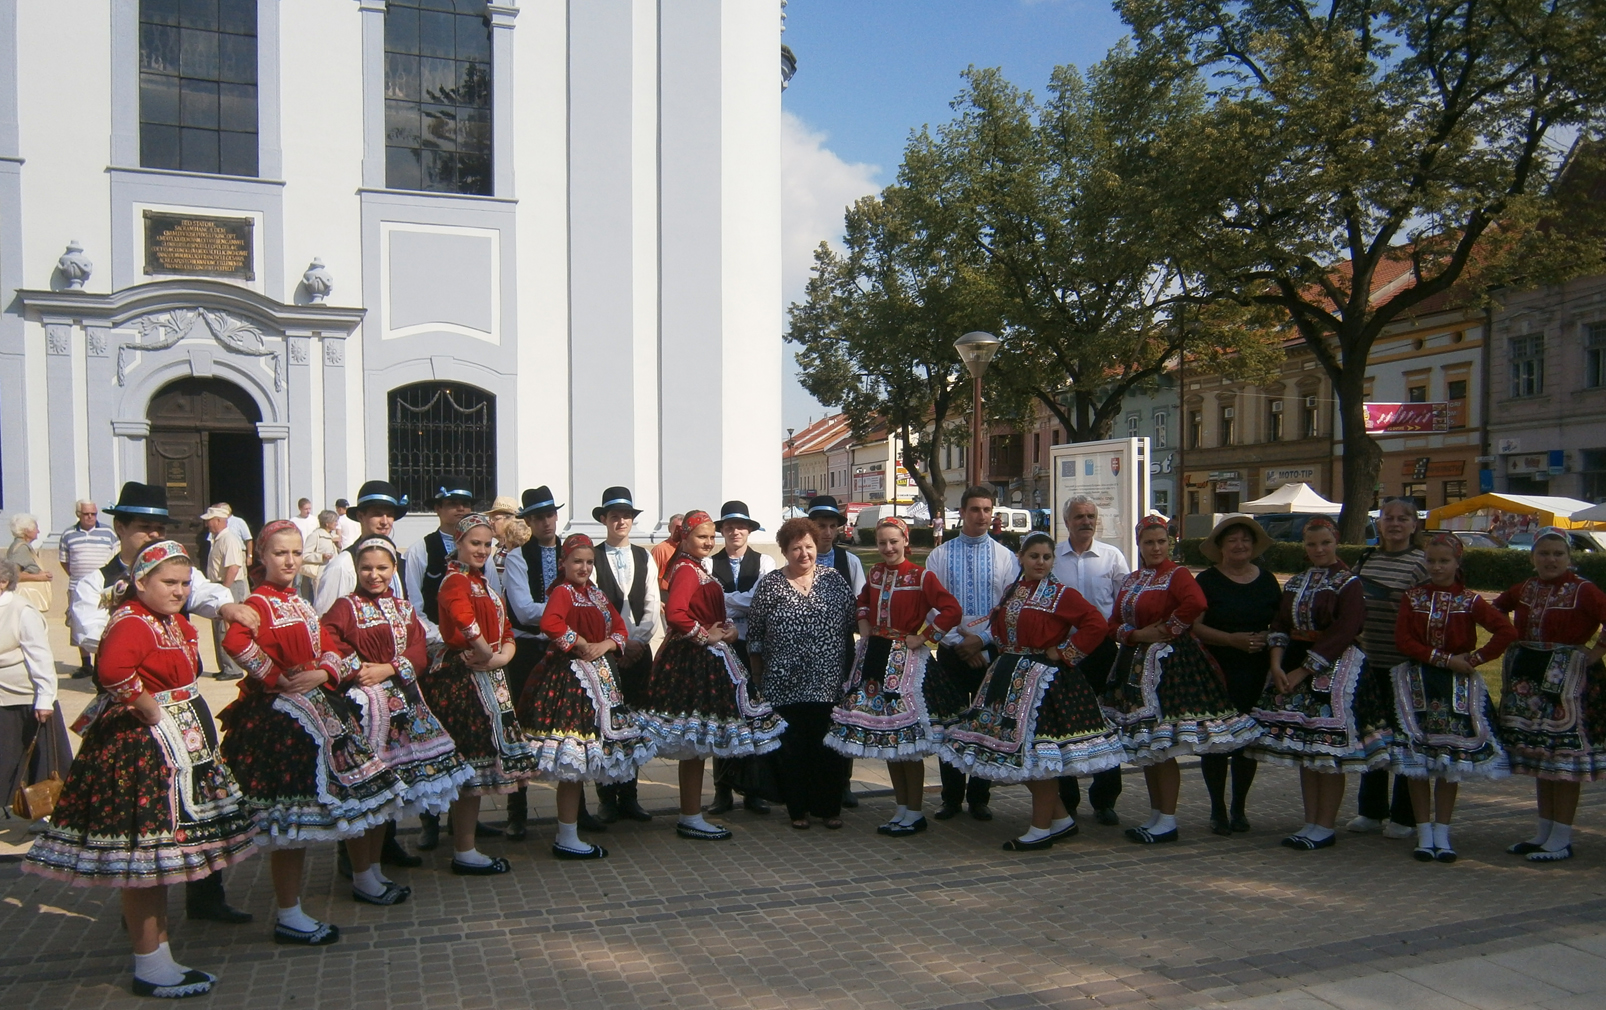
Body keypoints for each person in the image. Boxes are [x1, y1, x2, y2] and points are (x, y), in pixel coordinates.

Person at [24, 541, 259, 999]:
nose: (179, 591)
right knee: (146, 861)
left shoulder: (167, 620)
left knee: (158, 863)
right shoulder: (133, 620)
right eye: (168, 582)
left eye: (184, 583)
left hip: (171, 748)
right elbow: (114, 669)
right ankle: (151, 965)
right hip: (144, 754)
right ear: (141, 582)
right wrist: (146, 705)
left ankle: (159, 958)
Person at [68, 481, 259, 925]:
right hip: (138, 711)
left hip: (183, 708)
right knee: (146, 812)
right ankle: (142, 913)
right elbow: (92, 634)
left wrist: (226, 607)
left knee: (200, 800)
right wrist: (141, 636)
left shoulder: (173, 571)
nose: (153, 535)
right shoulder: (99, 582)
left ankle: (205, 895)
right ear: (120, 528)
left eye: (159, 527)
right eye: (143, 527)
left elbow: (205, 592)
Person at [218, 521, 406, 943]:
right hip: (280, 723)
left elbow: (332, 649)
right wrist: (275, 677)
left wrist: (322, 672)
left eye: (295, 553)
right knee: (291, 822)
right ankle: (289, 913)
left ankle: (361, 877)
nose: (289, 561)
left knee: (359, 792)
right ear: (261, 557)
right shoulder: (260, 601)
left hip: (318, 710)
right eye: (279, 553)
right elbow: (235, 642)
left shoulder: (299, 601)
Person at [942, 532, 1123, 850]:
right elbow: (1000, 629)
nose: (1040, 562)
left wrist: (1065, 652)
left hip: (1043, 683)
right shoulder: (1014, 590)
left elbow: (1095, 623)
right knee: (1014, 753)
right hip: (1008, 678)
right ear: (1021, 558)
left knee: (1036, 757)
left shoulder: (1060, 594)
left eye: (1047, 557)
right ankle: (1061, 820)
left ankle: (1041, 828)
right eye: (1034, 556)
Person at [321, 535, 472, 902]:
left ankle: (373, 868)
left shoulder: (403, 608)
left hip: (401, 709)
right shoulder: (345, 607)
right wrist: (360, 669)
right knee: (366, 793)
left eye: (382, 568)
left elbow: (418, 650)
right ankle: (361, 874)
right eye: (366, 568)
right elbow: (328, 642)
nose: (374, 575)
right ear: (356, 570)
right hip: (362, 710)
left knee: (386, 795)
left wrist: (389, 668)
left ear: (393, 570)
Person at [1102, 515, 1261, 844]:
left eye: (1161, 541)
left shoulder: (1177, 575)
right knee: (1148, 746)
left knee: (1163, 745)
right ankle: (1156, 815)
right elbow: (1113, 622)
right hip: (1135, 667)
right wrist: (1135, 635)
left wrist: (1167, 630)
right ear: (1139, 545)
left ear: (1169, 543)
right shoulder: (1132, 580)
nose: (1156, 548)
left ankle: (1168, 818)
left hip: (1169, 669)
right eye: (1149, 542)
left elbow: (1196, 603)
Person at [639, 510, 785, 840]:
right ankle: (690, 815)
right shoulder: (686, 569)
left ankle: (692, 813)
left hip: (704, 657)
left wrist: (727, 629)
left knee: (698, 743)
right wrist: (706, 636)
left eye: (710, 537)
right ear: (685, 537)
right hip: (692, 661)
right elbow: (676, 614)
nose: (708, 542)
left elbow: (708, 612)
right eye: (701, 536)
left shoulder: (696, 568)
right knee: (694, 741)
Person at [518, 534, 658, 860]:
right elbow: (551, 622)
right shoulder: (562, 592)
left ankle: (572, 831)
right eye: (577, 562)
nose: (583, 568)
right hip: (570, 681)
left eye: (589, 562)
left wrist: (605, 645)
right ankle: (566, 835)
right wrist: (581, 643)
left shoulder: (595, 594)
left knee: (585, 758)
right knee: (574, 759)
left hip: (601, 681)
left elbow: (619, 628)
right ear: (564, 563)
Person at [415, 513, 537, 874]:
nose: (482, 550)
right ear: (458, 543)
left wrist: (501, 656)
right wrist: (486, 653)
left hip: (488, 675)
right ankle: (463, 849)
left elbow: (506, 628)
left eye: (487, 544)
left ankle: (464, 843)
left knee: (478, 765)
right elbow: (464, 622)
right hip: (464, 679)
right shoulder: (455, 580)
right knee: (470, 763)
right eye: (475, 543)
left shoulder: (482, 581)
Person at [1248, 517, 1378, 851]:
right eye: (1311, 544)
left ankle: (1326, 824)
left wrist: (1304, 670)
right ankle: (1311, 821)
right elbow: (1280, 622)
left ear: (1336, 543)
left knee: (1327, 752)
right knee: (1308, 750)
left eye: (1325, 543)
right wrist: (1276, 663)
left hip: (1335, 667)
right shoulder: (1297, 582)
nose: (1319, 550)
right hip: (1295, 662)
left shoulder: (1348, 583)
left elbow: (1346, 629)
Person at [826, 517, 962, 835]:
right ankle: (901, 808)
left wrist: (925, 636)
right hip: (875, 658)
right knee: (889, 738)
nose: (888, 548)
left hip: (905, 663)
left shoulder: (921, 576)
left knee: (908, 743)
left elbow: (951, 610)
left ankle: (914, 811)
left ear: (905, 541)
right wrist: (863, 624)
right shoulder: (875, 572)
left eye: (893, 542)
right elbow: (862, 601)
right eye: (882, 542)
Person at [1390, 533, 1517, 862]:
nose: (1436, 567)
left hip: (1455, 686)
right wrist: (1445, 659)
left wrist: (1474, 659)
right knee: (1418, 761)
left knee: (1450, 761)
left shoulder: (1470, 601)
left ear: (1457, 562)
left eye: (1444, 561)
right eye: (1431, 561)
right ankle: (1423, 831)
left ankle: (1442, 832)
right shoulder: (1413, 597)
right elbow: (1403, 640)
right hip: (1418, 681)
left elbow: (1506, 631)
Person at [1493, 526, 1606, 863]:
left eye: (1558, 554)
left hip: (1568, 683)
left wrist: (1596, 651)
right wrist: (1510, 637)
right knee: (1543, 757)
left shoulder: (1583, 590)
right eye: (1544, 553)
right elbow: (1494, 609)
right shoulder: (1525, 588)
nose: (1551, 560)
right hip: (1530, 679)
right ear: (1533, 557)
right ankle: (1544, 832)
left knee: (1564, 758)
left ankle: (1561, 837)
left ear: (1569, 557)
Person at [746, 517, 857, 831]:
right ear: (784, 551)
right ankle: (798, 810)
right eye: (796, 548)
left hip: (828, 683)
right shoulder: (770, 585)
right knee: (793, 752)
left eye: (808, 546)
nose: (804, 553)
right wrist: (758, 677)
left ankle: (829, 808)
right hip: (783, 684)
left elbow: (853, 623)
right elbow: (754, 635)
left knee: (828, 748)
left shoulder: (834, 580)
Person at [924, 486, 1020, 822]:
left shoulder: (1005, 557)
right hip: (952, 652)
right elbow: (931, 605)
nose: (982, 515)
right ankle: (950, 797)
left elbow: (1009, 607)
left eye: (987, 509)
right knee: (950, 724)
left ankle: (980, 796)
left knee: (984, 724)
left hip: (989, 652)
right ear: (962, 512)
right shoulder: (939, 555)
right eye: (975, 509)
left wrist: (981, 641)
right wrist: (957, 643)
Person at [501, 485, 583, 840]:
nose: (546, 522)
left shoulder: (573, 552)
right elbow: (522, 609)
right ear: (529, 522)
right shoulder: (517, 557)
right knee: (520, 727)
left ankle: (578, 810)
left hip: (566, 649)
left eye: (549, 515)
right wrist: (563, 612)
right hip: (529, 649)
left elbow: (586, 597)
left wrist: (563, 615)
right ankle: (517, 811)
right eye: (538, 517)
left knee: (574, 728)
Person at [1192, 515, 1281, 835]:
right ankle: (1217, 809)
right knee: (1217, 741)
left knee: (1247, 741)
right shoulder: (1207, 580)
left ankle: (1239, 808)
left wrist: (1269, 641)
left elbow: (1280, 623)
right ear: (1220, 547)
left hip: (1256, 670)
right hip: (1217, 670)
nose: (1240, 545)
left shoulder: (1267, 580)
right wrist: (1231, 640)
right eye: (1232, 540)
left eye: (1245, 539)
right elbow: (1195, 626)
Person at [1348, 498, 1428, 839]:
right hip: (1369, 664)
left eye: (1402, 518)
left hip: (1405, 667)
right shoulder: (1367, 559)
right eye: (1388, 518)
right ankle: (1371, 810)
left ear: (1414, 525)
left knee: (1406, 740)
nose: (1395, 524)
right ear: (1379, 524)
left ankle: (1405, 816)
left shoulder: (1421, 563)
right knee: (1373, 738)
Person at [1051, 495, 1131, 826]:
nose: (1086, 521)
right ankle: (1067, 799)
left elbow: (1125, 604)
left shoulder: (1112, 557)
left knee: (1105, 722)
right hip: (1062, 652)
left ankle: (1105, 799)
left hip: (1102, 651)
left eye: (1090, 516)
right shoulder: (1052, 557)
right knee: (1063, 723)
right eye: (1079, 516)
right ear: (1066, 521)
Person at [589, 487, 659, 824]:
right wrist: (617, 643)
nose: (621, 521)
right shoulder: (592, 557)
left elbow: (652, 604)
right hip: (606, 653)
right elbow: (592, 605)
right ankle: (607, 797)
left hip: (637, 652)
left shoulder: (645, 556)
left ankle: (630, 795)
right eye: (614, 516)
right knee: (605, 724)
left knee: (634, 722)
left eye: (626, 516)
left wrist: (638, 641)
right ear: (604, 519)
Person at [708, 500, 777, 816]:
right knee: (722, 717)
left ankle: (754, 790)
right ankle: (722, 790)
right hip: (721, 648)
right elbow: (709, 603)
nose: (735, 531)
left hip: (753, 648)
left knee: (755, 715)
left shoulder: (764, 562)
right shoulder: (708, 563)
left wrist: (725, 600)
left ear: (749, 530)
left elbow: (762, 600)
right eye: (729, 526)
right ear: (722, 530)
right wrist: (736, 603)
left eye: (740, 526)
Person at [0, 558, 70, 835]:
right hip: (1, 696)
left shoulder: (22, 610)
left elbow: (40, 656)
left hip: (26, 696)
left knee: (42, 758)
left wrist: (44, 698)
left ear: (3, 582)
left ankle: (48, 812)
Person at [807, 495, 866, 808]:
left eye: (832, 526)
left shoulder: (849, 562)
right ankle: (812, 782)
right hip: (805, 651)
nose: (827, 532)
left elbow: (862, 605)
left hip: (841, 650)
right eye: (821, 526)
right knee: (811, 717)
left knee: (842, 715)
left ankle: (842, 782)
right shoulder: (799, 559)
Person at [405, 479, 502, 646]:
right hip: (435, 642)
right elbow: (413, 605)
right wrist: (439, 636)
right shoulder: (420, 550)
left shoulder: (483, 552)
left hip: (482, 644)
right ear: (437, 508)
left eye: (466, 504)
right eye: (453, 503)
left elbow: (495, 598)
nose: (461, 508)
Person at [314, 481, 411, 617]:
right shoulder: (343, 565)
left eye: (389, 515)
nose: (385, 522)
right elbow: (326, 619)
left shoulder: (399, 561)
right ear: (360, 516)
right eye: (377, 514)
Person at [59, 499, 119, 678]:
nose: (90, 517)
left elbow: (116, 556)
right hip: (77, 587)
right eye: (86, 514)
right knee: (79, 624)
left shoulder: (108, 533)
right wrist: (79, 577)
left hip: (104, 586)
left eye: (94, 514)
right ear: (78, 514)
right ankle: (86, 664)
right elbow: (64, 561)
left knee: (105, 623)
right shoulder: (68, 534)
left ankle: (103, 663)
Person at [202, 504, 248, 681]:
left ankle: (232, 668)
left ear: (218, 521)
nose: (207, 524)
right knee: (218, 626)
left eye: (209, 521)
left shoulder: (229, 539)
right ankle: (224, 666)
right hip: (220, 585)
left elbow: (233, 567)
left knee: (226, 628)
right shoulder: (218, 539)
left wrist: (224, 590)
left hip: (229, 585)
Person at [6, 513, 53, 616]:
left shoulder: (23, 546)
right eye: (36, 528)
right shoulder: (21, 548)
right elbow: (14, 575)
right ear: (27, 531)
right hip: (25, 598)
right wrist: (40, 577)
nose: (38, 531)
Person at [298, 510, 341, 602]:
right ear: (327, 523)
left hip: (334, 574)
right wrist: (321, 557)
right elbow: (304, 555)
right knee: (321, 601)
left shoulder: (334, 536)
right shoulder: (315, 535)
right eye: (334, 521)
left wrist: (339, 547)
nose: (336, 524)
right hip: (321, 575)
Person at [651, 513, 686, 592]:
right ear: (669, 528)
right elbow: (651, 576)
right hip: (665, 593)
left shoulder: (690, 548)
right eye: (677, 528)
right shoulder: (660, 549)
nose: (679, 531)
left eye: (682, 528)